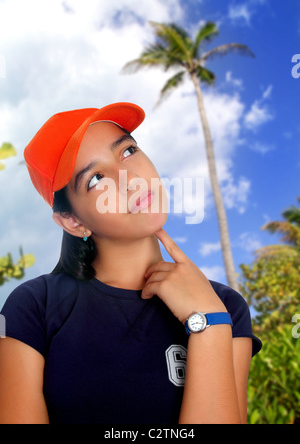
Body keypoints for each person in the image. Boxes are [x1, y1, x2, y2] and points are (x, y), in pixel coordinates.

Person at [0, 102, 261, 424]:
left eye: (127, 151)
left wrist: (208, 323)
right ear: (72, 221)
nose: (129, 179)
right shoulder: (33, 307)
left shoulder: (225, 305)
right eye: (95, 179)